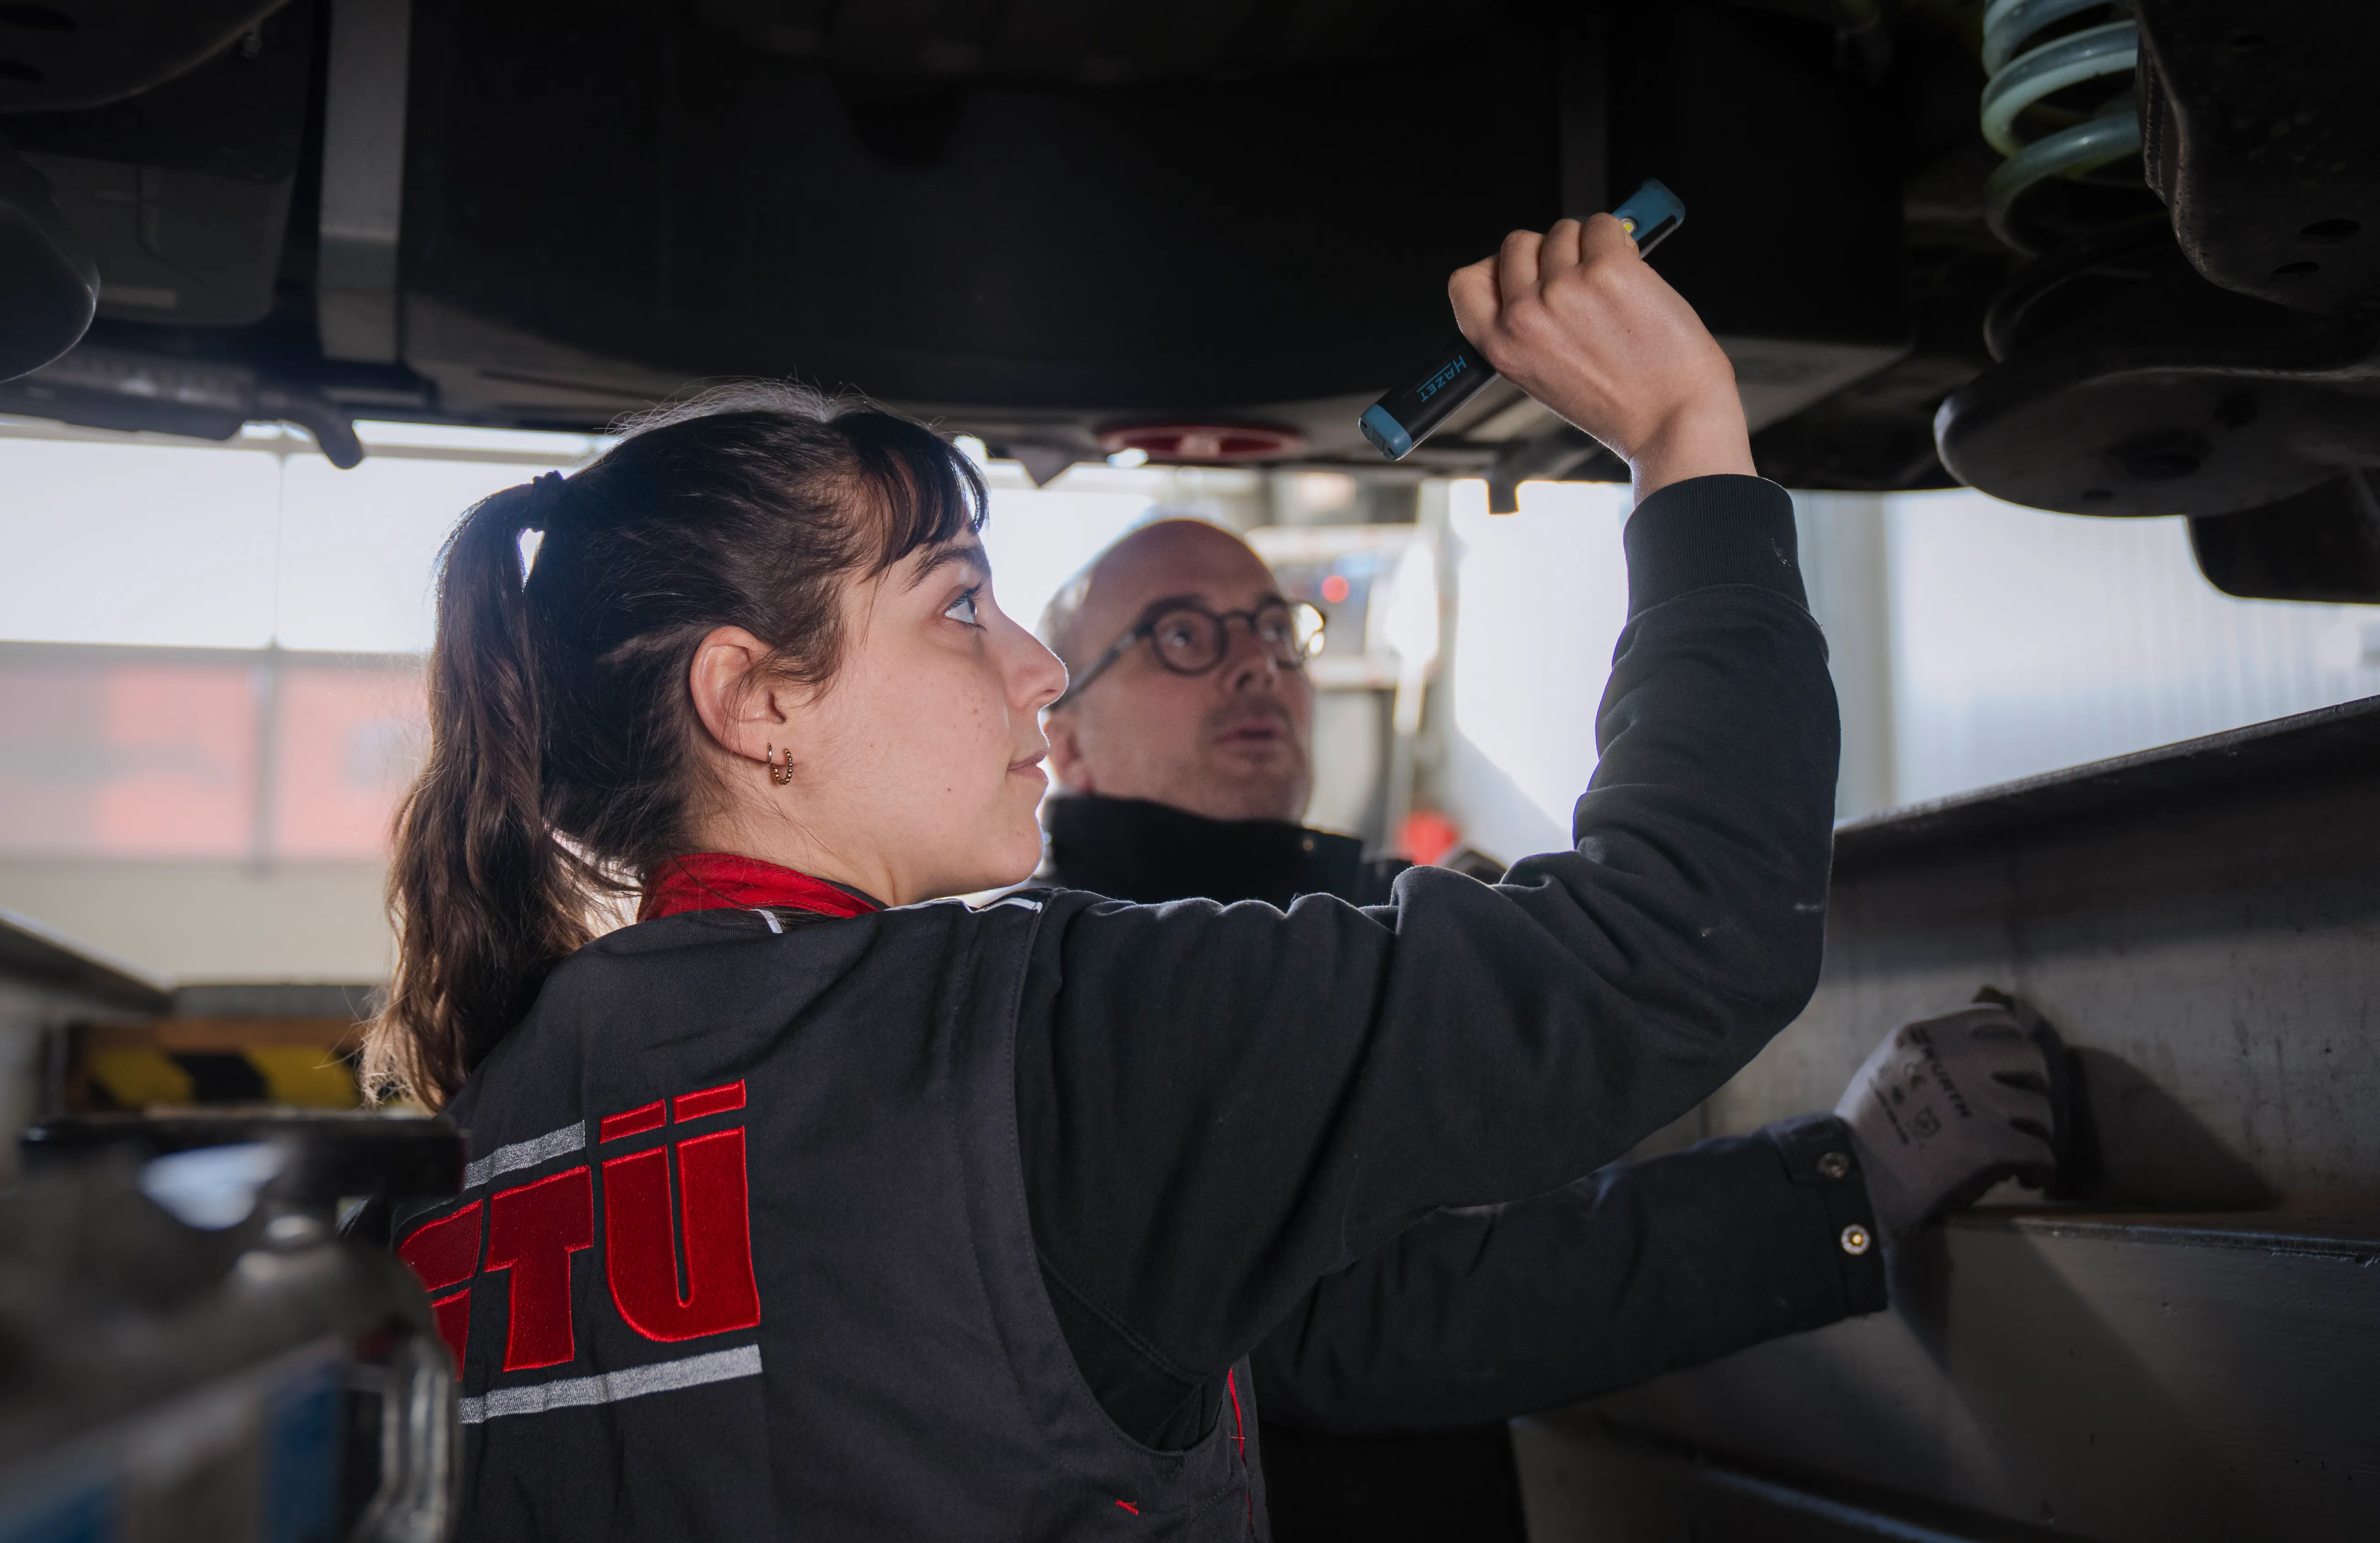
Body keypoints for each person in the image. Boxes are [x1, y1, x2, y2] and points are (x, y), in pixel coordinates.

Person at [365, 214, 2058, 1539]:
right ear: (756, 701)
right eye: (962, 605)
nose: (1032, 672)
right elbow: (1673, 945)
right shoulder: (1034, 1029)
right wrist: (1689, 439)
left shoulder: (498, 1118)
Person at [1034, 523, 2063, 1539]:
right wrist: (1837, 1191)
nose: (1255, 662)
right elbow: (1338, 1330)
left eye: (1272, 626)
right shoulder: (1090, 990)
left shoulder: (1339, 922)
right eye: (1182, 635)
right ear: (1065, 735)